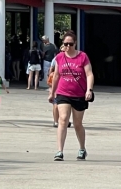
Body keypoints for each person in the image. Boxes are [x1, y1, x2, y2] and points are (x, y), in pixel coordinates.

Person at [48, 30, 94, 161]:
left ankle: (82, 148)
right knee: (63, 119)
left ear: (75, 43)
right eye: (65, 44)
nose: (68, 47)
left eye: (71, 44)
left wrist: (89, 90)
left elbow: (89, 74)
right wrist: (52, 92)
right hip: (63, 92)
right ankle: (59, 151)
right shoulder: (59, 57)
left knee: (77, 123)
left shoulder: (82, 57)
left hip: (79, 94)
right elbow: (56, 76)